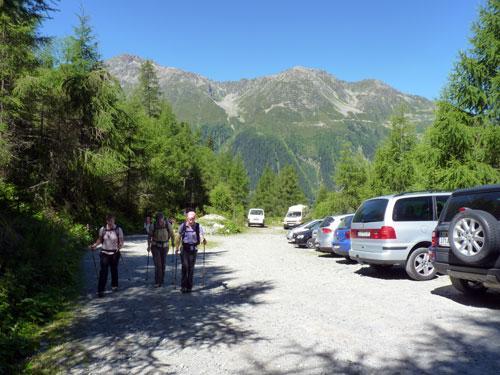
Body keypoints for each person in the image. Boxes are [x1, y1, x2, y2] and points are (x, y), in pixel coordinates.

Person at [90, 214, 124, 297]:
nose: (110, 222)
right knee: (103, 271)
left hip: (115, 252)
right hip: (104, 252)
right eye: (109, 221)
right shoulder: (103, 229)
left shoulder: (118, 229)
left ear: (114, 220)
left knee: (114, 269)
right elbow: (100, 239)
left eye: (112, 221)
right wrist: (94, 245)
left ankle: (114, 285)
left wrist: (120, 246)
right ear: (106, 221)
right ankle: (100, 290)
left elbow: (121, 240)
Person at [176, 210, 206, 293]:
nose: (191, 220)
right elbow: (178, 237)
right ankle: (183, 286)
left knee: (191, 268)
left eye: (193, 219)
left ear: (195, 218)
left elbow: (201, 235)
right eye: (190, 219)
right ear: (187, 218)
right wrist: (177, 247)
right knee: (185, 267)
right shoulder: (183, 226)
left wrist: (203, 240)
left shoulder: (198, 226)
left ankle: (189, 287)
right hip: (184, 249)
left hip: (193, 249)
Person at [148, 212, 174, 287]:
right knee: (158, 264)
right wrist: (149, 245)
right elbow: (149, 236)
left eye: (161, 220)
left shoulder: (167, 224)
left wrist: (173, 242)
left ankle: (161, 279)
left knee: (163, 263)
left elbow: (172, 233)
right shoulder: (153, 226)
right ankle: (157, 281)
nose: (160, 222)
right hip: (155, 246)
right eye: (159, 220)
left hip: (165, 246)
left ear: (163, 219)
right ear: (156, 220)